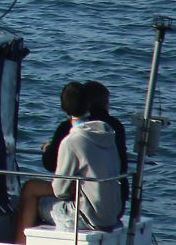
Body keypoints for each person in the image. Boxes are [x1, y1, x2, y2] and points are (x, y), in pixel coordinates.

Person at [15, 83, 123, 242]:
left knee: (32, 194)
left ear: (64, 108)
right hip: (111, 214)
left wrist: (72, 189)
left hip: (87, 217)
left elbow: (60, 191)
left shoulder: (71, 141)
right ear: (88, 105)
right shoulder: (108, 134)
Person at [40, 81, 130, 203]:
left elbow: (51, 164)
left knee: (31, 190)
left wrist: (48, 149)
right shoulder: (115, 127)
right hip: (116, 200)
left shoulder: (70, 130)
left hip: (83, 200)